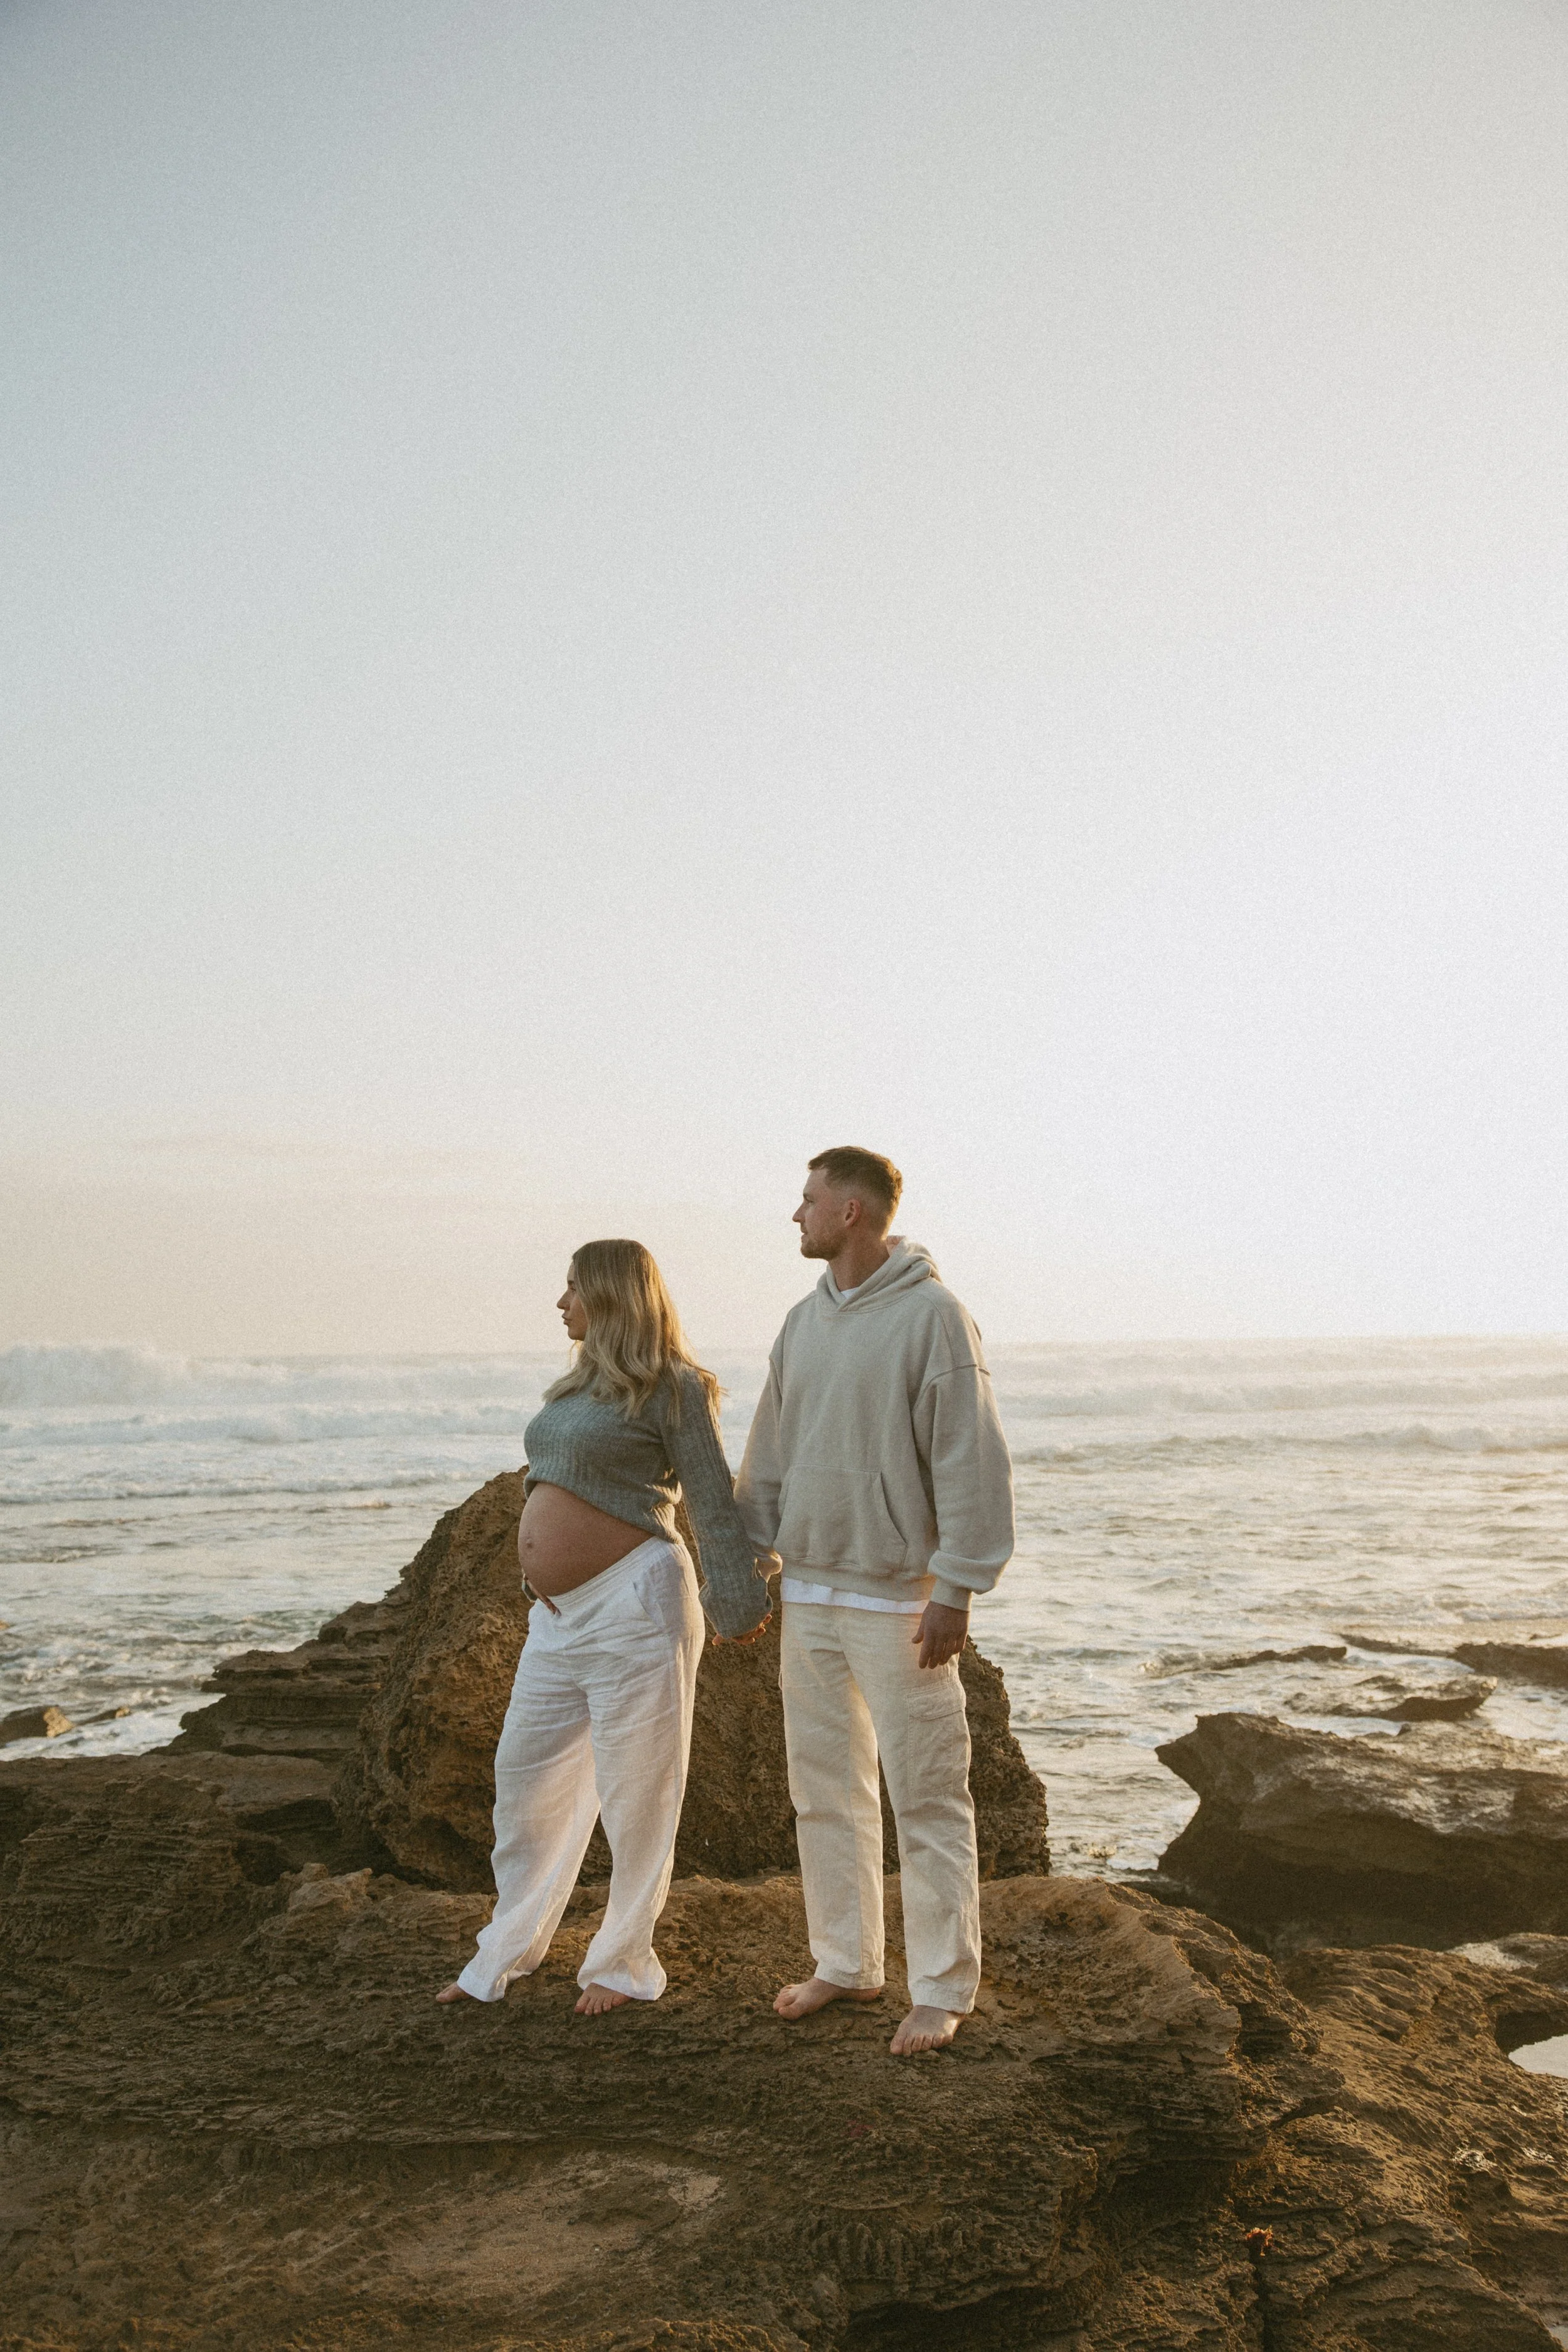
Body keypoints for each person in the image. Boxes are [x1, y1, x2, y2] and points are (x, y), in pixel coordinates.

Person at [438, 1239, 772, 2016]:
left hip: (637, 1604)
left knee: (637, 1795)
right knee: (524, 1786)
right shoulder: (575, 1388)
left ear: (613, 1297)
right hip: (556, 1619)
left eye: (572, 1290)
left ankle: (621, 1963)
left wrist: (738, 1600)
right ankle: (504, 1953)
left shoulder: (675, 1388)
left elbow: (711, 1500)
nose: (560, 1304)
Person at [736, 1148, 1014, 2056]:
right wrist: (750, 1562)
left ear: (852, 1210)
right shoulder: (800, 1323)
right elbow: (769, 1450)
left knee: (928, 1795)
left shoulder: (935, 1317)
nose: (796, 1214)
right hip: (807, 1593)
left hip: (901, 1600)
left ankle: (939, 1986)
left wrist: (958, 1588)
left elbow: (970, 1456)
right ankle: (847, 1961)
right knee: (823, 1792)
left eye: (808, 1198)